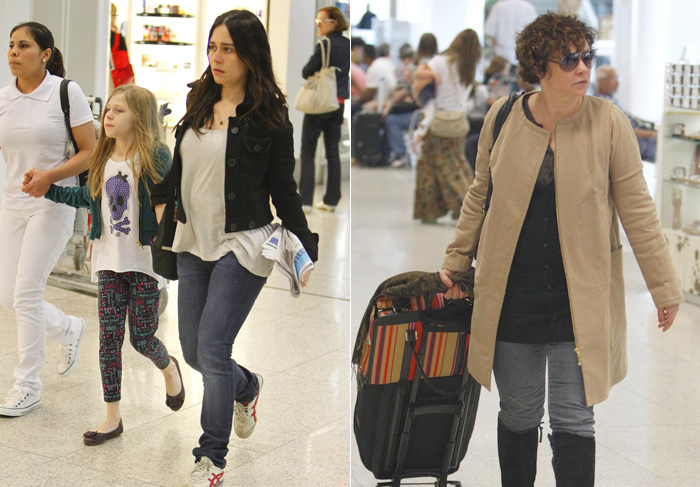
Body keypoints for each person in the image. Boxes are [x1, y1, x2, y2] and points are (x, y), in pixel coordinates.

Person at [438, 13, 682, 486]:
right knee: (519, 414)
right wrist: (455, 261)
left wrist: (664, 287)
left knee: (575, 419)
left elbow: (639, 212)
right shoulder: (503, 117)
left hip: (580, 299)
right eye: (569, 59)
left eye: (587, 56)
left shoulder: (609, 124)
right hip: (513, 294)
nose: (583, 69)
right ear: (539, 66)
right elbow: (479, 195)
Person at [149, 10, 319, 487]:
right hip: (191, 239)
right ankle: (248, 387)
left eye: (227, 48)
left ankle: (212, 455)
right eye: (212, 47)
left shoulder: (269, 117)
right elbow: (179, 169)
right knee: (195, 350)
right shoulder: (199, 99)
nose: (217, 57)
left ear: (249, 54)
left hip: (243, 243)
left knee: (213, 346)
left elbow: (285, 190)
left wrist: (307, 250)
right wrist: (161, 205)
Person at [35, 84, 183, 445]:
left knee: (143, 339)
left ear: (141, 118)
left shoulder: (155, 157)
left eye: (119, 111)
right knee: (108, 341)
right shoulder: (102, 158)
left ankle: (169, 367)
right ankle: (112, 417)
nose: (109, 116)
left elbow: (170, 203)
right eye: (109, 110)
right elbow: (86, 197)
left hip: (145, 263)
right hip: (108, 262)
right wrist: (47, 187)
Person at [0, 22, 96, 417]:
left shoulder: (65, 91)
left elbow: (90, 151)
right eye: (10, 46)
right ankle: (68, 329)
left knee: (25, 292)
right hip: (11, 204)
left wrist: (49, 177)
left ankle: (27, 385)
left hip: (53, 202)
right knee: (7, 295)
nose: (13, 53)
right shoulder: (4, 98)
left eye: (23, 46)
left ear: (44, 54)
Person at [412, 29, 486, 223]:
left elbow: (418, 74)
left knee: (429, 168)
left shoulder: (441, 61)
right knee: (457, 164)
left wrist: (431, 77)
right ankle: (475, 204)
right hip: (459, 122)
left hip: (439, 121)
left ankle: (437, 210)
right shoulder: (470, 66)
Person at [298, 6, 350, 213]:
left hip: (320, 103)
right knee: (333, 152)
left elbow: (306, 71)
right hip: (338, 103)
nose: (318, 26)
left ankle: (306, 201)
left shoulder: (325, 44)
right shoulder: (347, 45)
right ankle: (331, 200)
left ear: (334, 22)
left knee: (308, 151)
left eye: (321, 22)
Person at [594, 65, 658, 161]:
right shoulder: (603, 103)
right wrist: (650, 134)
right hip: (634, 143)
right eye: (613, 79)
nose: (617, 83)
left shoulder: (609, 100)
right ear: (601, 82)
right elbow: (623, 129)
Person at [484, 0, 537, 66]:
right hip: (522, 58)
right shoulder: (529, 8)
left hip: (502, 59)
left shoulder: (499, 6)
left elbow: (490, 32)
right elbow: (534, 33)